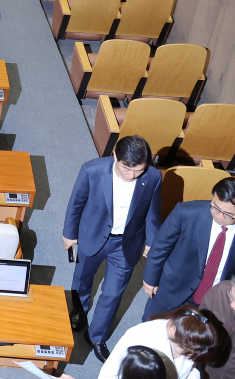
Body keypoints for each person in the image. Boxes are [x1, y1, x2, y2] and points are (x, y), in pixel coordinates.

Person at [64, 135, 163, 361]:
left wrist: (151, 241)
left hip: (127, 242)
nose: (132, 176)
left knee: (113, 292)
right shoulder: (91, 170)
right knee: (82, 279)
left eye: (138, 170)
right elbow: (76, 202)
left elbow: (153, 213)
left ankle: (97, 336)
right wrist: (69, 233)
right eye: (127, 169)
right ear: (115, 156)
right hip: (92, 235)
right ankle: (79, 311)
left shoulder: (153, 177)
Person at [141, 176, 235, 319]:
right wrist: (150, 278)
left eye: (228, 214)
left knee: (196, 338)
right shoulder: (186, 212)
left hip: (216, 300)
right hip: (174, 287)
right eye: (215, 207)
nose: (220, 216)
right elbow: (160, 247)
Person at [98, 307, 218, 379]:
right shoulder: (140, 335)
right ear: (173, 331)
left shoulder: (188, 342)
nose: (190, 358)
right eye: (188, 353)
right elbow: (109, 373)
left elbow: (192, 370)